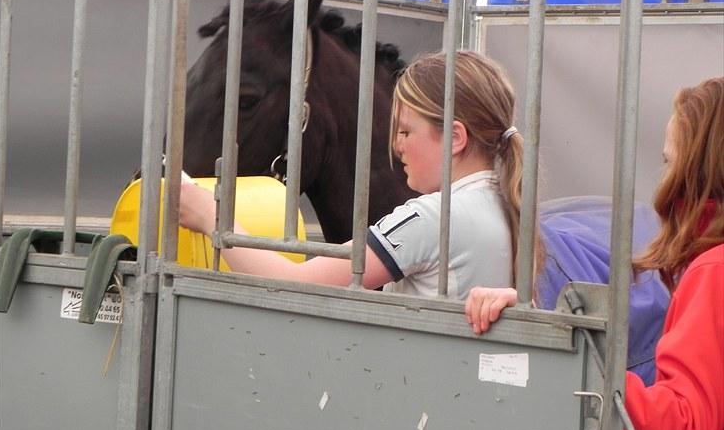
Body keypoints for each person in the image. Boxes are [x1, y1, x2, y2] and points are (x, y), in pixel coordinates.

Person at [464, 76, 724, 430]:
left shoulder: (713, 270)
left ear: (697, 173)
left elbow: (687, 423)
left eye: (669, 163)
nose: (664, 180)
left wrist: (564, 350)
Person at [179, 50, 542, 299]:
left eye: (405, 132)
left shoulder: (433, 218)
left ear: (455, 138)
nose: (397, 146)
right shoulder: (502, 202)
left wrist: (212, 217)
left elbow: (297, 284)